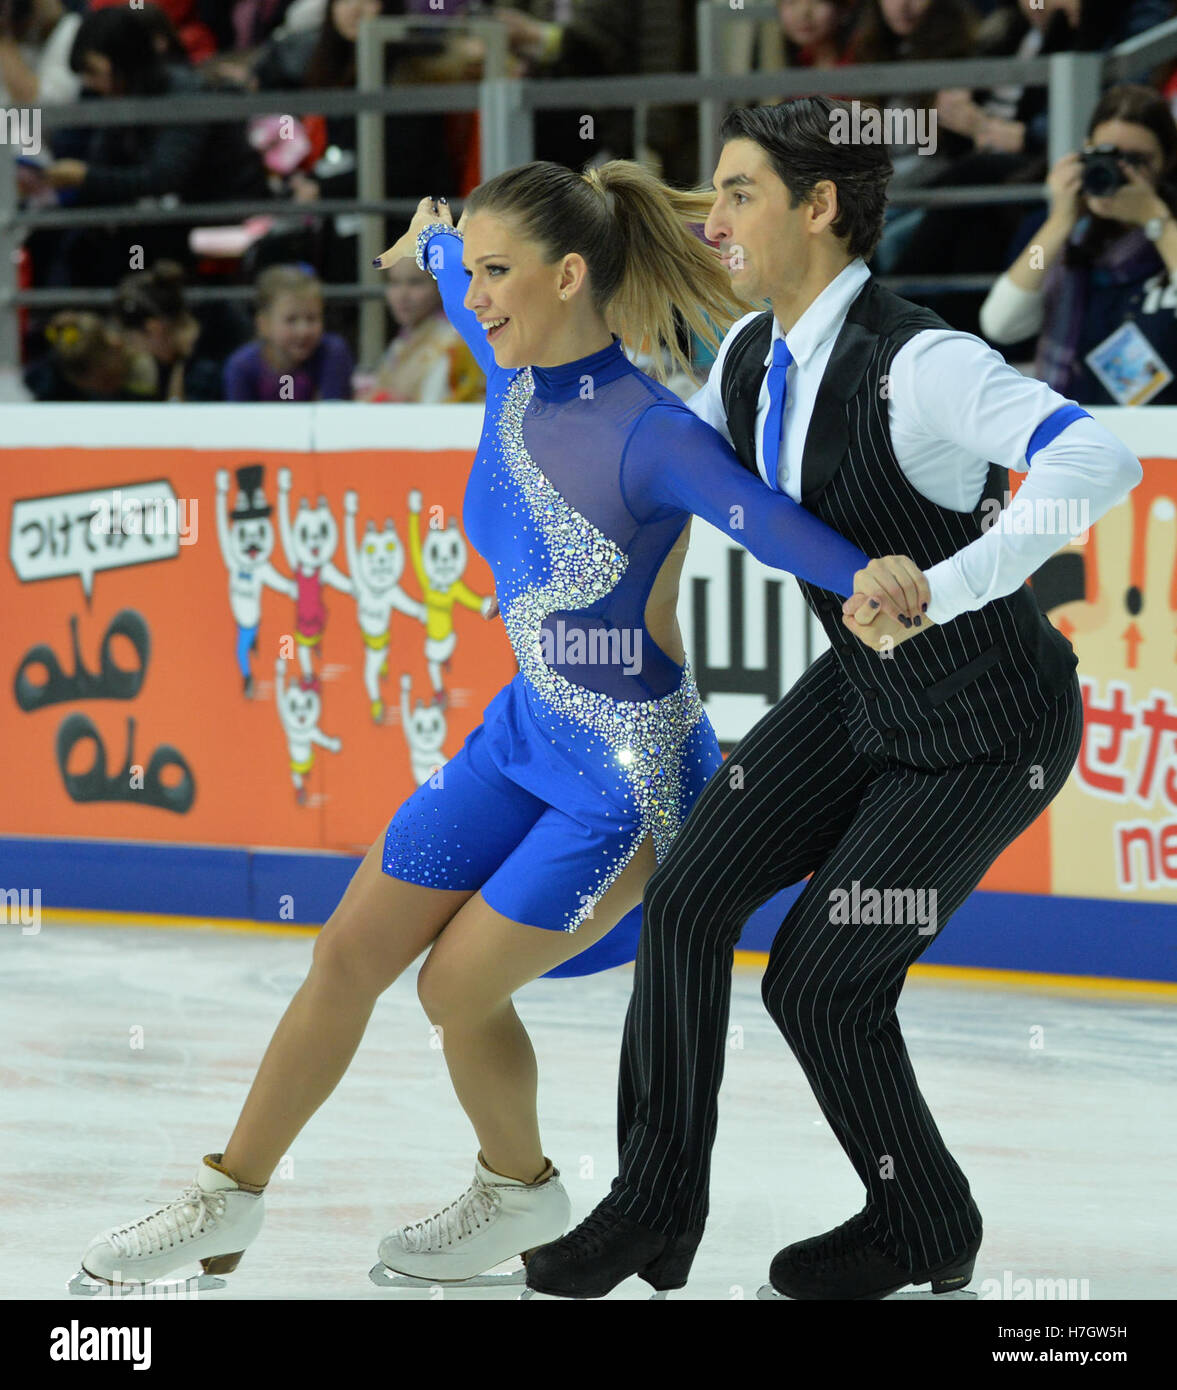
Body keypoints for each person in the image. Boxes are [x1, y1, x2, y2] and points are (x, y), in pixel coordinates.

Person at [75, 158, 910, 1293]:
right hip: (523, 733)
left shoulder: (653, 436)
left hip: (627, 775)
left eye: (497, 274)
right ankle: (228, 1201)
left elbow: (764, 520)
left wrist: (871, 576)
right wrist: (428, 239)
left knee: (451, 989)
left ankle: (517, 1188)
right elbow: (447, 263)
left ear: (569, 275)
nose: (475, 295)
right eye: (470, 274)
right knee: (347, 952)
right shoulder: (509, 349)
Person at [524, 96, 1143, 1301]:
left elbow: (1094, 457)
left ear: (818, 206)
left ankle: (924, 1221)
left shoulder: (921, 361)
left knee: (819, 975)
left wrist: (949, 585)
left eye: (739, 193)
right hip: (862, 694)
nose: (715, 223)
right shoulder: (751, 361)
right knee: (691, 892)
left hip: (986, 725)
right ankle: (653, 1206)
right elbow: (660, 472)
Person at [980, 84, 1177, 405]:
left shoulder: (1170, 235)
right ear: (1085, 152)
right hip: (1074, 428)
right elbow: (1000, 323)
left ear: (1166, 163)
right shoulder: (1055, 236)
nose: (1120, 171)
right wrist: (1058, 223)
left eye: (1136, 160)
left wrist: (1156, 222)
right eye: (1107, 155)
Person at [360, 258, 485, 402]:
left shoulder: (456, 345)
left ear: (440, 286)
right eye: (394, 282)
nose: (402, 295)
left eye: (415, 283)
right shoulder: (402, 342)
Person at [223, 264, 354, 401]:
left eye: (312, 318)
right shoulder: (242, 367)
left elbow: (332, 415)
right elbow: (242, 419)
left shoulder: (332, 353)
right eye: (291, 320)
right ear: (264, 324)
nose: (303, 331)